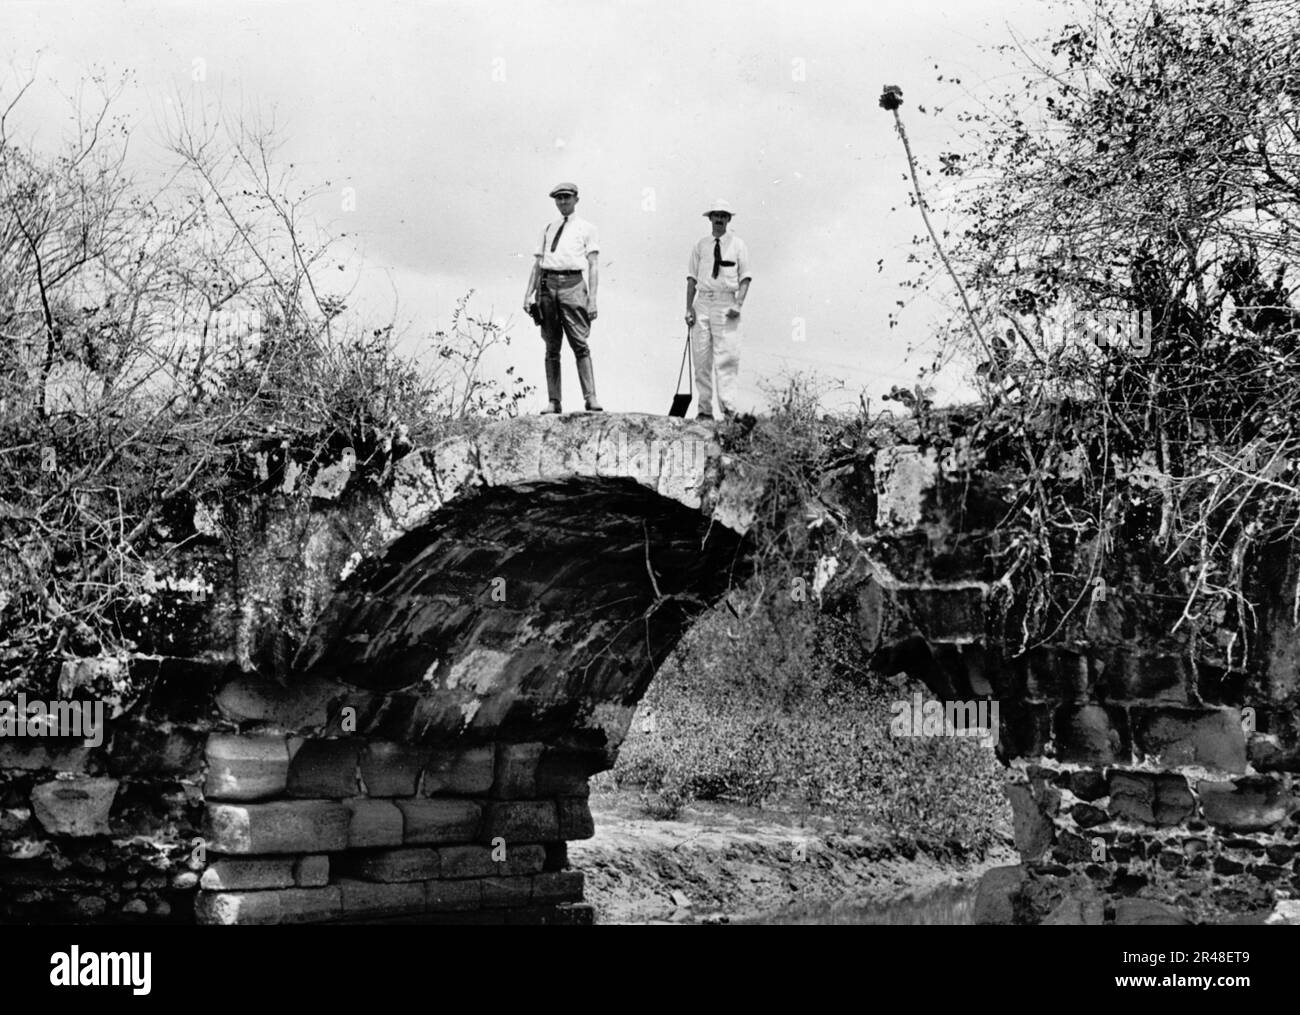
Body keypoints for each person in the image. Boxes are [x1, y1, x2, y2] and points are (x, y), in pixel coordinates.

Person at [522, 182, 602, 413]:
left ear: (576, 199)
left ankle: (591, 397)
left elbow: (594, 264)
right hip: (548, 285)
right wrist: (528, 294)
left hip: (573, 284)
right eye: (558, 198)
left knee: (579, 343)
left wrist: (593, 299)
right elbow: (538, 263)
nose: (563, 202)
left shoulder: (587, 228)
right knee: (551, 347)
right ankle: (554, 400)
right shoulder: (548, 228)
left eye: (566, 197)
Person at [685, 199, 751, 420]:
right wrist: (688, 309)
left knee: (726, 358)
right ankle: (704, 410)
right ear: (710, 218)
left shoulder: (738, 245)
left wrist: (738, 304)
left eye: (724, 215)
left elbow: (745, 278)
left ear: (729, 219)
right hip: (702, 302)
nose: (719, 219)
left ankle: (729, 409)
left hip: (726, 303)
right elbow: (692, 279)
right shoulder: (701, 245)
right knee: (701, 358)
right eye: (716, 215)